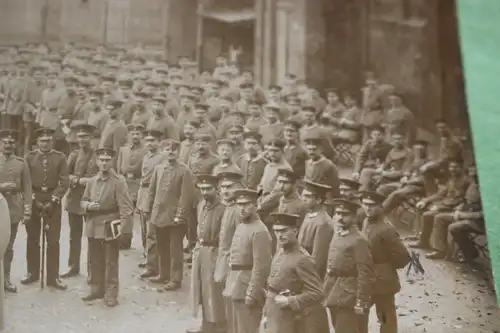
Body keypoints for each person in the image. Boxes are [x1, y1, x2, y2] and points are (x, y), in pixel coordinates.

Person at [80, 148, 134, 307]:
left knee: (110, 261)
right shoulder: (91, 181)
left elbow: (126, 208)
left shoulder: (118, 181)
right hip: (93, 225)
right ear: (97, 162)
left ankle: (111, 293)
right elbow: (83, 201)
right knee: (94, 260)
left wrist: (125, 231)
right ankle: (96, 289)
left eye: (107, 160)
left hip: (111, 225)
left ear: (112, 162)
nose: (104, 163)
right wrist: (89, 205)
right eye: (101, 160)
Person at [262, 212, 327, 333]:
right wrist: (267, 314)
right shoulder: (280, 251)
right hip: (274, 314)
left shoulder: (302, 259)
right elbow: (272, 286)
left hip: (289, 318)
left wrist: (290, 301)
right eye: (276, 231)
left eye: (283, 231)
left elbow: (317, 293)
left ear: (295, 231)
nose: (279, 235)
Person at [144, 139, 195, 291]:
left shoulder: (184, 171)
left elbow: (186, 197)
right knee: (161, 247)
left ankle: (175, 278)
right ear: (164, 151)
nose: (171, 151)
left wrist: (180, 215)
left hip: (174, 217)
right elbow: (151, 191)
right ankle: (163, 274)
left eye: (174, 149)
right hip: (158, 215)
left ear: (178, 152)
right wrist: (148, 208)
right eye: (167, 149)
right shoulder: (159, 169)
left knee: (175, 250)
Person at [23, 128, 69, 290]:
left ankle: (52, 277)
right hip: (34, 199)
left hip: (53, 201)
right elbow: (26, 181)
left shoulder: (60, 157)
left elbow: (64, 181)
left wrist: (54, 200)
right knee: (33, 238)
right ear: (37, 142)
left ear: (53, 142)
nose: (45, 143)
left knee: (53, 241)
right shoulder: (29, 158)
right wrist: (33, 200)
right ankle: (32, 272)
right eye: (42, 141)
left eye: (48, 140)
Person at [359, 191, 410, 333]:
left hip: (383, 281)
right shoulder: (366, 221)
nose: (367, 208)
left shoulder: (386, 229)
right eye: (365, 204)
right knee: (359, 313)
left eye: (371, 205)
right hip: (367, 278)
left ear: (380, 207)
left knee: (386, 318)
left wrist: (385, 267)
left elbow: (403, 256)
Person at [222, 188, 272, 333]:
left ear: (256, 206)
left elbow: (261, 266)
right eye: (239, 204)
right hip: (234, 284)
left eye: (246, 204)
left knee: (247, 329)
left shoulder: (260, 230)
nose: (241, 208)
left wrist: (252, 291)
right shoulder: (242, 225)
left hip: (247, 286)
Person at [323, 199, 374, 333]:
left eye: (345, 214)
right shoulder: (338, 233)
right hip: (333, 290)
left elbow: (365, 273)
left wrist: (361, 301)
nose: (340, 217)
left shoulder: (359, 240)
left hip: (348, 295)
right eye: (338, 213)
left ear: (354, 217)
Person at [188, 174, 226, 333]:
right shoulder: (201, 205)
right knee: (201, 289)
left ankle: (219, 326)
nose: (204, 192)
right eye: (202, 189)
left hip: (214, 252)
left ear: (216, 189)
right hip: (201, 250)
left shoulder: (223, 209)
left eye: (208, 189)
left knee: (214, 291)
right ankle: (206, 324)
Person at [62, 123, 98, 279]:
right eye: (80, 137)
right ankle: (73, 266)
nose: (82, 140)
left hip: (91, 199)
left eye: (85, 137)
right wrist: (76, 180)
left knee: (93, 236)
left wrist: (88, 181)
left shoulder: (98, 156)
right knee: (74, 235)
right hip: (75, 199)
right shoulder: (74, 154)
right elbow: (65, 175)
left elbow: (103, 175)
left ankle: (93, 270)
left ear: (91, 138)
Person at [0, 129, 32, 292]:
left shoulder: (21, 163)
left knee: (8, 246)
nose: (8, 145)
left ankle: (5, 279)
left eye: (11, 142)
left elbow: (27, 188)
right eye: (5, 142)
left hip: (13, 210)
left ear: (15, 145)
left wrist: (27, 211)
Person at [412, 159, 469, 249]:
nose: (452, 169)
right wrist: (426, 200)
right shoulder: (452, 179)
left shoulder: (466, 181)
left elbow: (465, 200)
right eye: (451, 167)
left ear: (461, 168)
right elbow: (441, 194)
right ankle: (422, 240)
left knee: (430, 215)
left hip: (457, 209)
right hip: (446, 205)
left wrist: (439, 208)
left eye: (455, 167)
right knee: (423, 209)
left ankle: (439, 249)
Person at [429, 164, 483, 261]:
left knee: (454, 227)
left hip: (481, 222)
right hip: (467, 215)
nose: (474, 178)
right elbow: (466, 201)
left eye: (476, 175)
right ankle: (440, 250)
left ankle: (470, 253)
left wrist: (464, 215)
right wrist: (460, 208)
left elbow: (482, 214)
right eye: (472, 175)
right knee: (440, 218)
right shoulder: (474, 185)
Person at [137, 129, 165, 276]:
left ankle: (153, 266)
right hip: (143, 194)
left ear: (159, 142)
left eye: (153, 140)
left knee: (152, 233)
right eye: (147, 140)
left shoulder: (162, 158)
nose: (149, 143)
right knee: (144, 231)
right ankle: (148, 257)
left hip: (153, 196)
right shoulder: (146, 156)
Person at [116, 124, 147, 250]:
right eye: (133, 134)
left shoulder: (146, 150)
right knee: (126, 213)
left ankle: (146, 243)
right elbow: (119, 167)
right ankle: (125, 240)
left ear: (142, 136)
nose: (135, 136)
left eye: (138, 134)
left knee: (143, 215)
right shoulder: (123, 149)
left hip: (140, 184)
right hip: (125, 184)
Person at [298, 180, 334, 279]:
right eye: (303, 195)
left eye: (308, 196)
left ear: (318, 200)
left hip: (311, 275)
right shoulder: (309, 215)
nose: (303, 199)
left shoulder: (323, 223)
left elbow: (318, 259)